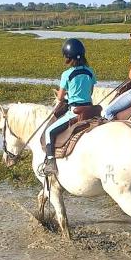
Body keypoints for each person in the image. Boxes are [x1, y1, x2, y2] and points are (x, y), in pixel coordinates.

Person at [43, 38, 96, 175]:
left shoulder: (66, 74)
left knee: (49, 132)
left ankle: (50, 163)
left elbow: (60, 98)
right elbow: (90, 92)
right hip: (90, 110)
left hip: (75, 112)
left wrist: (68, 97)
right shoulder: (90, 71)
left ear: (67, 56)